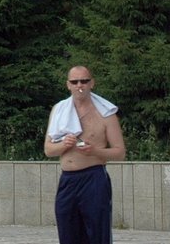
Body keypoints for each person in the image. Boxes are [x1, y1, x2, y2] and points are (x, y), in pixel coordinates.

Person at [44, 65, 126, 244]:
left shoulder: (106, 114)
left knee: (97, 234)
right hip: (68, 179)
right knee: (68, 233)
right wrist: (63, 145)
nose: (79, 85)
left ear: (92, 83)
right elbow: (49, 150)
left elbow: (120, 152)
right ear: (68, 85)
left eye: (84, 81)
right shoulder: (59, 110)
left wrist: (94, 151)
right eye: (74, 82)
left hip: (93, 178)